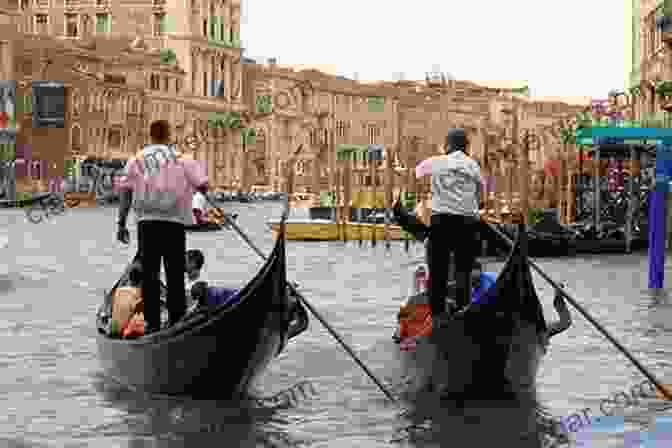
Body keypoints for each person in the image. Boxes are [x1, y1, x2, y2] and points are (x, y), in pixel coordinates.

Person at [116, 120, 210, 333]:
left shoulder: (136, 161)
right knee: (175, 274)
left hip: (146, 224)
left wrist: (121, 224)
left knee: (149, 275)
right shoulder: (182, 159)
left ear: (150, 135)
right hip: (174, 225)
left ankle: (152, 324)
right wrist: (197, 189)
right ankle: (177, 322)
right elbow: (203, 185)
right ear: (169, 136)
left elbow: (125, 194)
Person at [415, 128, 483, 327]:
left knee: (438, 271)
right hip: (466, 222)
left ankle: (437, 316)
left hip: (441, 221)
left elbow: (417, 172)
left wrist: (430, 196)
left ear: (447, 145)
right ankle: (462, 312)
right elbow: (480, 196)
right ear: (466, 147)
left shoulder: (435, 162)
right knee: (463, 270)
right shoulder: (473, 165)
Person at [110, 261, 144, 337]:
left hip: (114, 330)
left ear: (129, 278)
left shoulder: (118, 291)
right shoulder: (138, 294)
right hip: (126, 332)